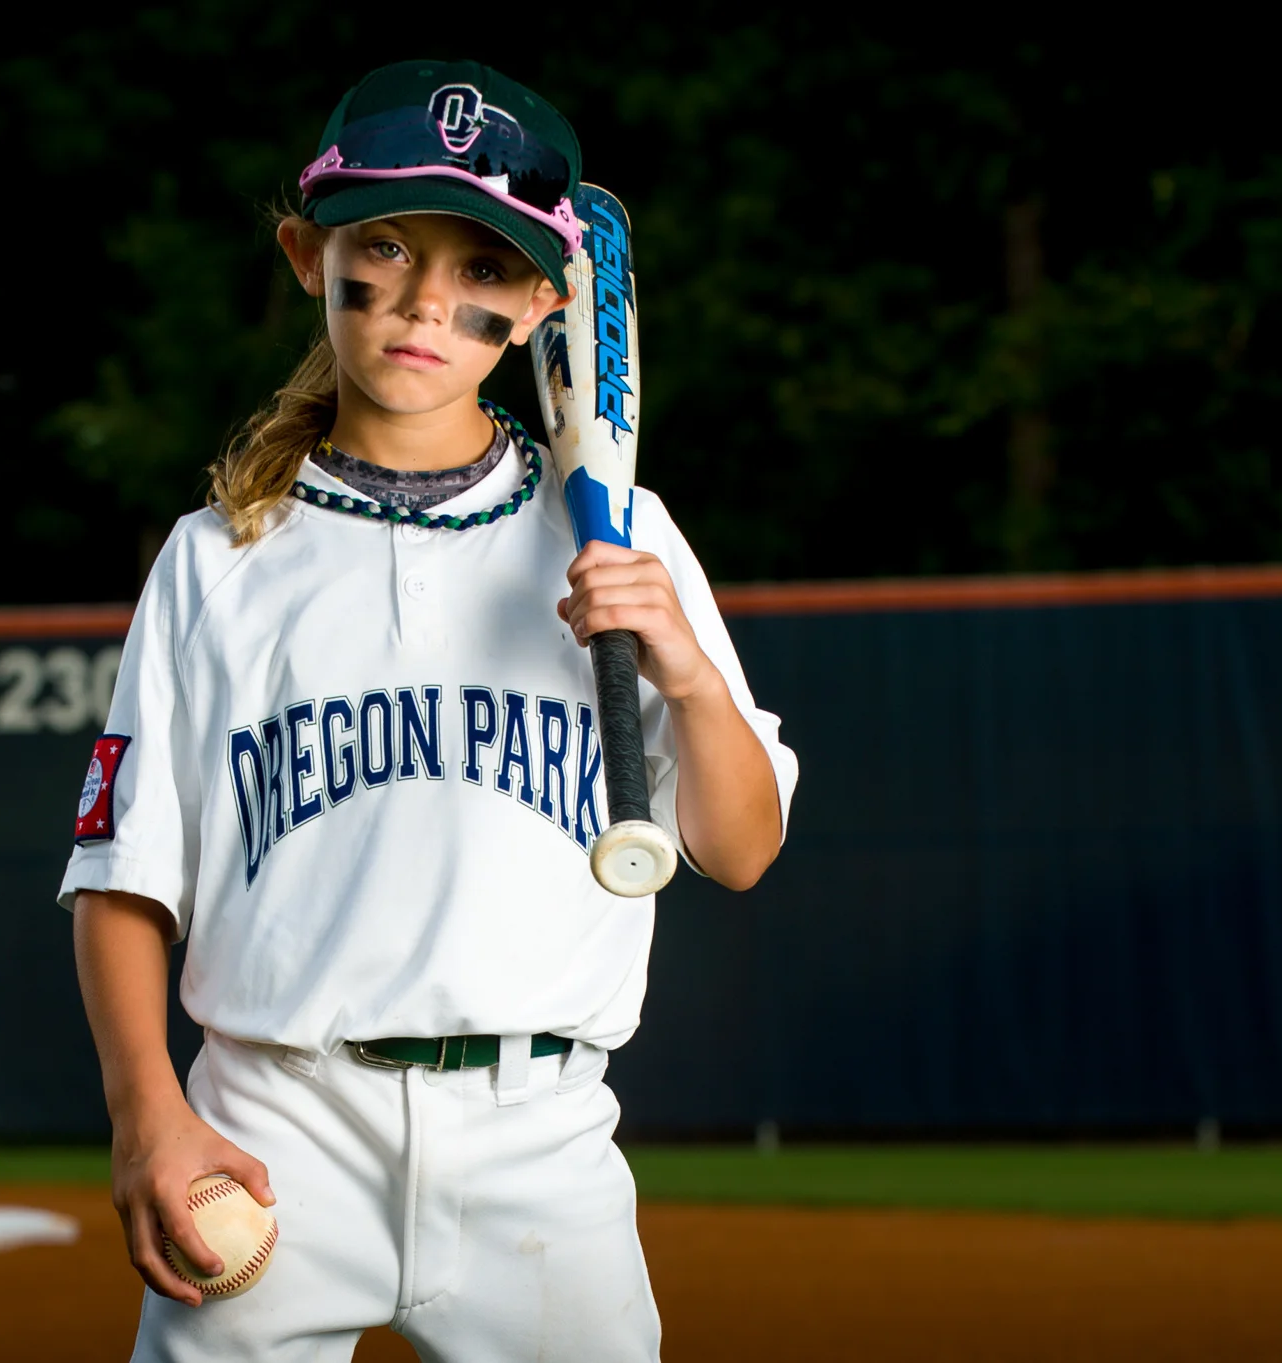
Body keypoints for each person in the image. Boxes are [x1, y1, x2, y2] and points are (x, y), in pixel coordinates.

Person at [63, 58, 797, 1362]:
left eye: (479, 268)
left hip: (541, 1139)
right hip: (278, 1122)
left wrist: (681, 666)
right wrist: (148, 1112)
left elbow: (738, 848)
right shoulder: (219, 559)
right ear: (306, 252)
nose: (423, 300)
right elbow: (125, 881)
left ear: (537, 305)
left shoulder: (629, 540)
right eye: (386, 246)